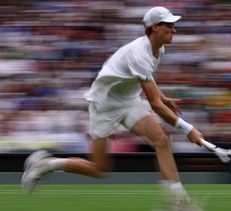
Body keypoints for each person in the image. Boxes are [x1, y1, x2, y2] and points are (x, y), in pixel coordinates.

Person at [21, 6, 204, 210]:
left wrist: (163, 96)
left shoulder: (159, 48)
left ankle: (177, 202)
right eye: (169, 25)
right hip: (104, 105)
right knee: (99, 168)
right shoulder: (139, 54)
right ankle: (47, 164)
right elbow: (154, 104)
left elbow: (148, 82)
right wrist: (189, 130)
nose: (174, 30)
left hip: (128, 100)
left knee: (161, 140)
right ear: (155, 27)